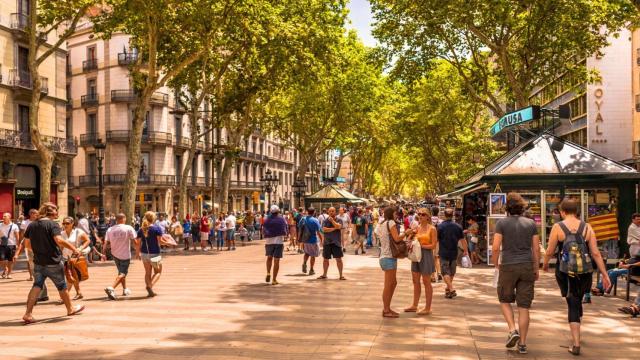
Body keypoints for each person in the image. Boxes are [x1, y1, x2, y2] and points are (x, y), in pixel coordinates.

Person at [543, 198, 611, 356]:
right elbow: (595, 253)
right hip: (585, 272)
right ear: (577, 211)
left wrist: (544, 264)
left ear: (562, 212)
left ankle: (576, 344)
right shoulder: (587, 227)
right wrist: (605, 274)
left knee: (572, 303)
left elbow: (549, 250)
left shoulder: (557, 227)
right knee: (577, 299)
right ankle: (579, 313)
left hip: (565, 271)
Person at [491, 193, 540, 354]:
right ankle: (523, 344)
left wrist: (496, 263)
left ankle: (513, 330)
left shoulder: (501, 223)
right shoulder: (531, 224)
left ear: (507, 208)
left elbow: (496, 246)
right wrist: (536, 268)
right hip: (526, 266)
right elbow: (536, 248)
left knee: (504, 300)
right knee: (524, 307)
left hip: (508, 266)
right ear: (521, 207)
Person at [21, 202, 85, 324]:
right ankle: (70, 309)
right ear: (50, 212)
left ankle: (28, 314)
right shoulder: (52, 224)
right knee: (62, 286)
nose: (57, 212)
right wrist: (74, 248)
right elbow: (59, 240)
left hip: (39, 262)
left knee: (37, 286)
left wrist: (39, 250)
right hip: (53, 261)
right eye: (56, 210)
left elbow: (27, 245)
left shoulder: (32, 225)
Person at [376, 206, 414, 318]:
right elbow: (397, 238)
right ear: (391, 214)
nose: (397, 215)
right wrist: (406, 233)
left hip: (385, 256)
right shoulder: (391, 222)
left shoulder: (382, 224)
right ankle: (386, 309)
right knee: (389, 285)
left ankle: (387, 308)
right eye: (395, 213)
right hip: (388, 257)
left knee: (393, 283)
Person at [405, 208, 437, 316]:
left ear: (428, 216)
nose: (421, 216)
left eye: (423, 214)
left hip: (426, 255)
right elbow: (410, 238)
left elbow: (433, 245)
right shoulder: (417, 227)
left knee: (426, 281)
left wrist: (421, 246)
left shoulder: (432, 229)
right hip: (416, 255)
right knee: (415, 280)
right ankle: (414, 305)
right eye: (419, 214)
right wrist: (410, 241)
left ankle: (428, 307)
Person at [135, 211, 172, 297]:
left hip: (144, 254)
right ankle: (149, 286)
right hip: (155, 253)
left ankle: (149, 289)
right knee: (158, 272)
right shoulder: (156, 228)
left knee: (147, 273)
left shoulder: (141, 229)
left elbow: (138, 243)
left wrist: (137, 253)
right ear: (153, 218)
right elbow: (160, 242)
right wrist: (169, 243)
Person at [104, 213, 137, 300]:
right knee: (123, 273)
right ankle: (111, 288)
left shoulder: (110, 229)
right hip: (125, 254)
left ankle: (125, 289)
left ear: (116, 219)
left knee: (121, 273)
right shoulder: (128, 228)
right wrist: (138, 251)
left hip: (115, 254)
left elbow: (106, 243)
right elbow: (134, 240)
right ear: (124, 218)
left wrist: (103, 254)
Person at [437, 208, 468, 299]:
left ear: (444, 215)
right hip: (454, 253)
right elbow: (463, 240)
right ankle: (449, 289)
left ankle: (450, 288)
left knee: (445, 271)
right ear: (453, 215)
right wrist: (466, 251)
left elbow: (436, 240)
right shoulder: (458, 227)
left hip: (443, 252)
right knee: (452, 272)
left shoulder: (440, 227)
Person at [60, 217, 91, 300]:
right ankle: (78, 293)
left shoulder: (78, 232)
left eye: (67, 223)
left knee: (70, 277)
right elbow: (61, 246)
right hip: (66, 257)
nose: (65, 225)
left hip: (75, 258)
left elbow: (87, 240)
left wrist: (80, 248)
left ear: (72, 223)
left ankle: (64, 296)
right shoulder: (62, 233)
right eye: (64, 223)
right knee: (73, 276)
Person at [319, 207, 346, 281]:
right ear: (328, 212)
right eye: (330, 211)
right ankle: (324, 274)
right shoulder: (325, 220)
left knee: (339, 259)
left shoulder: (339, 220)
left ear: (335, 212)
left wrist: (333, 222)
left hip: (336, 242)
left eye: (333, 211)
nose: (331, 212)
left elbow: (339, 226)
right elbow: (324, 229)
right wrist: (334, 228)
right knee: (325, 259)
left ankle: (341, 275)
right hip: (327, 242)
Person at [263, 205, 288, 285]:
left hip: (269, 242)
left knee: (269, 258)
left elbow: (264, 229)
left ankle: (268, 272)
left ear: (271, 211)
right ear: (278, 211)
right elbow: (285, 229)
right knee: (276, 261)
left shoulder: (266, 220)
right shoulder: (281, 219)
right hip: (278, 242)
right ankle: (274, 279)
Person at [15, 209, 39, 282]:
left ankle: (38, 274)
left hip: (38, 243)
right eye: (34, 213)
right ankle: (31, 275)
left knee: (38, 259)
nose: (35, 215)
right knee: (29, 260)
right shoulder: (25, 222)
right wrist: (20, 243)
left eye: (36, 213)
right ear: (30, 214)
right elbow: (22, 234)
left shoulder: (39, 222)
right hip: (28, 242)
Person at [299, 207, 322, 276]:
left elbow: (300, 229)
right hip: (313, 240)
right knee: (313, 255)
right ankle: (311, 269)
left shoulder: (303, 219)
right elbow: (318, 231)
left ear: (307, 212)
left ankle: (304, 263)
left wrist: (300, 239)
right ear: (314, 212)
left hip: (305, 240)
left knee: (306, 253)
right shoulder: (315, 220)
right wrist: (321, 239)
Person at [0, 212, 20, 279]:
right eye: (3, 216)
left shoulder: (14, 226)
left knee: (10, 260)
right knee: (1, 259)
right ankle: (5, 269)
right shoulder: (0, 225)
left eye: (5, 216)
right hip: (2, 245)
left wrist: (17, 245)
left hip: (11, 245)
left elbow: (17, 236)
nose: (3, 217)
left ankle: (9, 274)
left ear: (9, 217)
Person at [431, 206, 443, 283]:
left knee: (431, 258)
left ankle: (432, 275)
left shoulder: (429, 220)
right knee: (437, 258)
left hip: (430, 241)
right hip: (438, 241)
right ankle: (439, 273)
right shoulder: (441, 221)